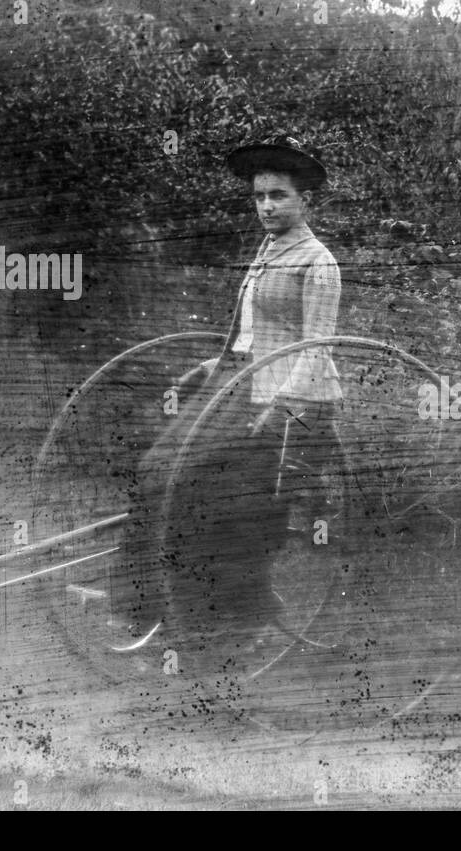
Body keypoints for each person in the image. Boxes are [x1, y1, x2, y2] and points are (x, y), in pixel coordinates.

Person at [134, 135, 345, 648]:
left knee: (206, 492)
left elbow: (315, 350)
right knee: (154, 470)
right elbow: (253, 338)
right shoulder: (266, 251)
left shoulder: (318, 263)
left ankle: (233, 615)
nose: (268, 206)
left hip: (296, 404)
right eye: (259, 197)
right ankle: (148, 601)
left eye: (278, 195)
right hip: (242, 387)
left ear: (304, 200)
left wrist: (279, 408)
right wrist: (210, 364)